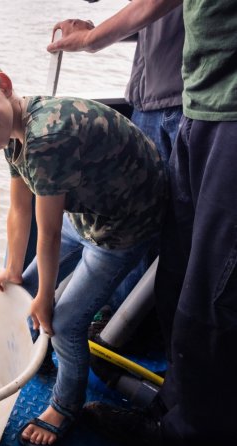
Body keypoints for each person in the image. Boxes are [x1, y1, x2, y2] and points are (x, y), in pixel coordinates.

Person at [0, 49, 167, 446]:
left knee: (65, 321)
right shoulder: (13, 134)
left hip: (123, 223)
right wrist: (15, 270)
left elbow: (48, 232)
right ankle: (41, 356)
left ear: (3, 84)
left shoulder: (44, 138)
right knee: (23, 290)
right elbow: (19, 210)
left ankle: (65, 405)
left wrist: (47, 301)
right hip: (88, 208)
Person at [48, 0, 237, 445]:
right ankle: (176, 402)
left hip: (225, 112)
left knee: (215, 286)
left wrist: (91, 39)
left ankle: (189, 431)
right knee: (176, 267)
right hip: (201, 103)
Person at [50, 5, 184, 311]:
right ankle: (119, 313)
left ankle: (129, 322)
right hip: (150, 99)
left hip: (176, 105)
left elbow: (154, 8)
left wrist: (91, 38)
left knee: (149, 223)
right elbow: (160, 21)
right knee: (143, 215)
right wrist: (97, 30)